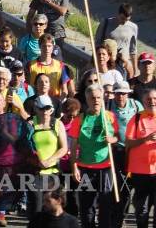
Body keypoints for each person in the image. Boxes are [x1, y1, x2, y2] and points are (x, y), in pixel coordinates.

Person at [69, 84, 121, 228]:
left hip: (105, 167)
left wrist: (113, 139)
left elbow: (117, 136)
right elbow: (73, 145)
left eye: (99, 97)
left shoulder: (109, 116)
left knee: (105, 205)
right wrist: (74, 167)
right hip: (85, 167)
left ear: (103, 98)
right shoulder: (80, 118)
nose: (96, 100)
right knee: (86, 207)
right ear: (87, 99)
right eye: (93, 98)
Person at [127, 88, 156, 228]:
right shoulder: (137, 118)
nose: (152, 102)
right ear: (144, 102)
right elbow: (128, 142)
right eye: (149, 99)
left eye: (154, 99)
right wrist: (145, 139)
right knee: (141, 210)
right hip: (140, 172)